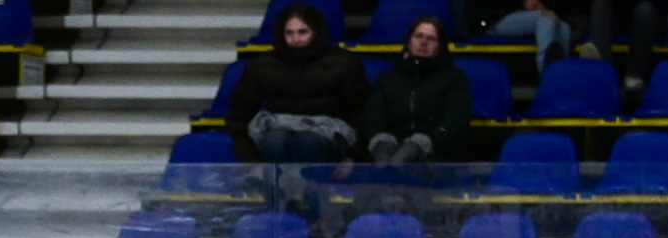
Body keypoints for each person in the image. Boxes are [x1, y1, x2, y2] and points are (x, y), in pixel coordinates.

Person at [225, 2, 369, 164]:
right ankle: (274, 180)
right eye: (289, 33)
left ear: (316, 32)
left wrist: (353, 159)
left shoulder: (344, 63)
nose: (296, 39)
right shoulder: (261, 65)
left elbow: (362, 116)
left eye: (302, 32)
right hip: (277, 131)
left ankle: (314, 181)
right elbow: (238, 118)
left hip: (327, 136)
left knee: (307, 142)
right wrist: (251, 162)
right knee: (274, 140)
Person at [359, 15, 472, 164]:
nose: (423, 42)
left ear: (440, 46)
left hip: (438, 155)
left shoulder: (454, 78)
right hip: (391, 150)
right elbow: (372, 117)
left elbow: (455, 121)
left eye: (431, 38)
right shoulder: (388, 77)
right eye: (419, 36)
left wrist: (422, 143)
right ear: (409, 41)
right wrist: (381, 141)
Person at [462, 0, 572, 73]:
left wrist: (540, 5)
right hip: (492, 19)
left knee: (564, 29)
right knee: (546, 20)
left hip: (525, 16)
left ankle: (562, 78)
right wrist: (523, 3)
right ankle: (549, 81)